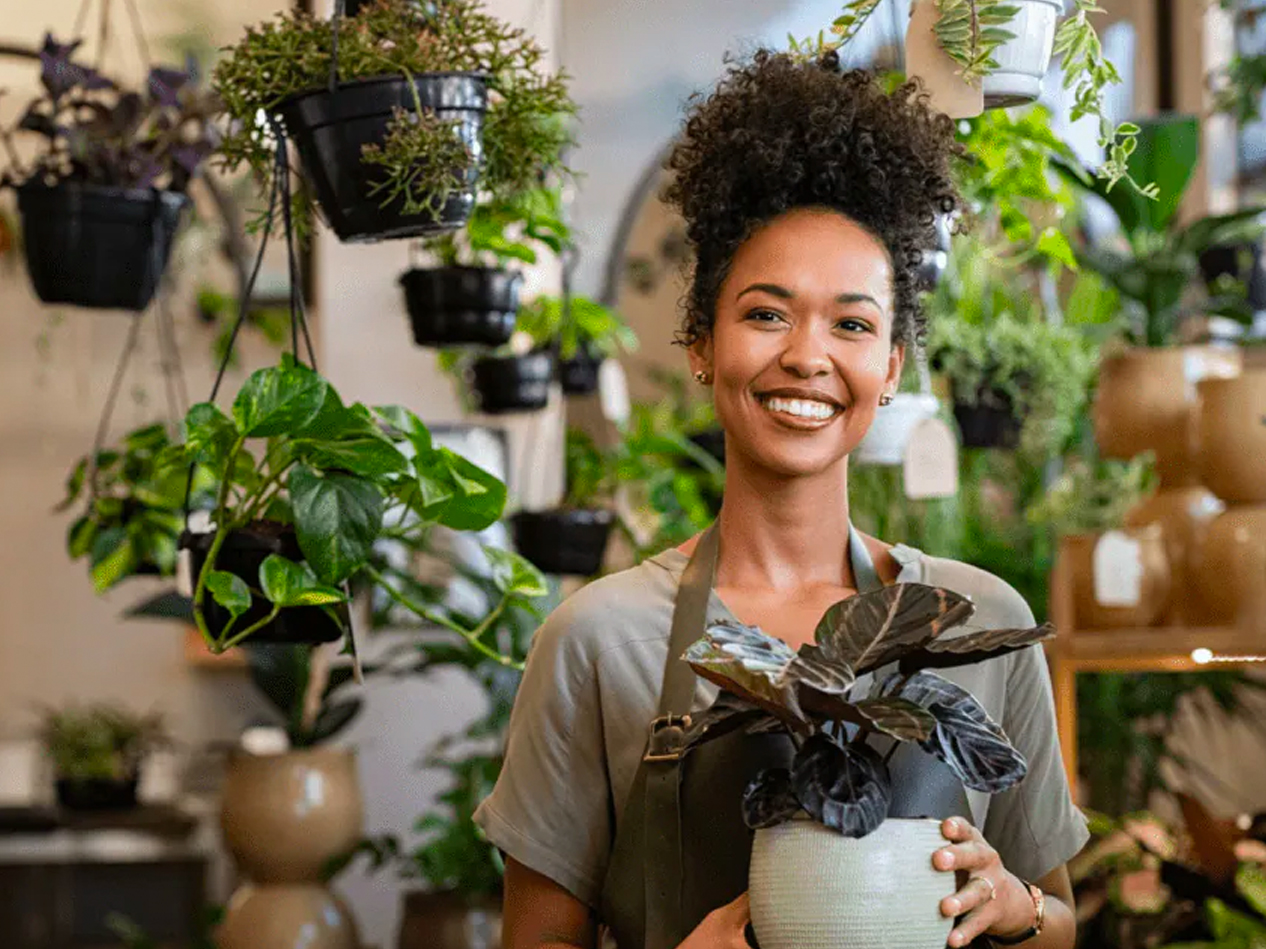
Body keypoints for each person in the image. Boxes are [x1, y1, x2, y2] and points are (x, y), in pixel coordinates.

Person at [473, 50, 1088, 949]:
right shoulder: (597, 641)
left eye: (852, 323)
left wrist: (1018, 906)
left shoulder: (979, 619)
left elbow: (1064, 920)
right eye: (766, 313)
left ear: (889, 371)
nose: (808, 355)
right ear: (701, 343)